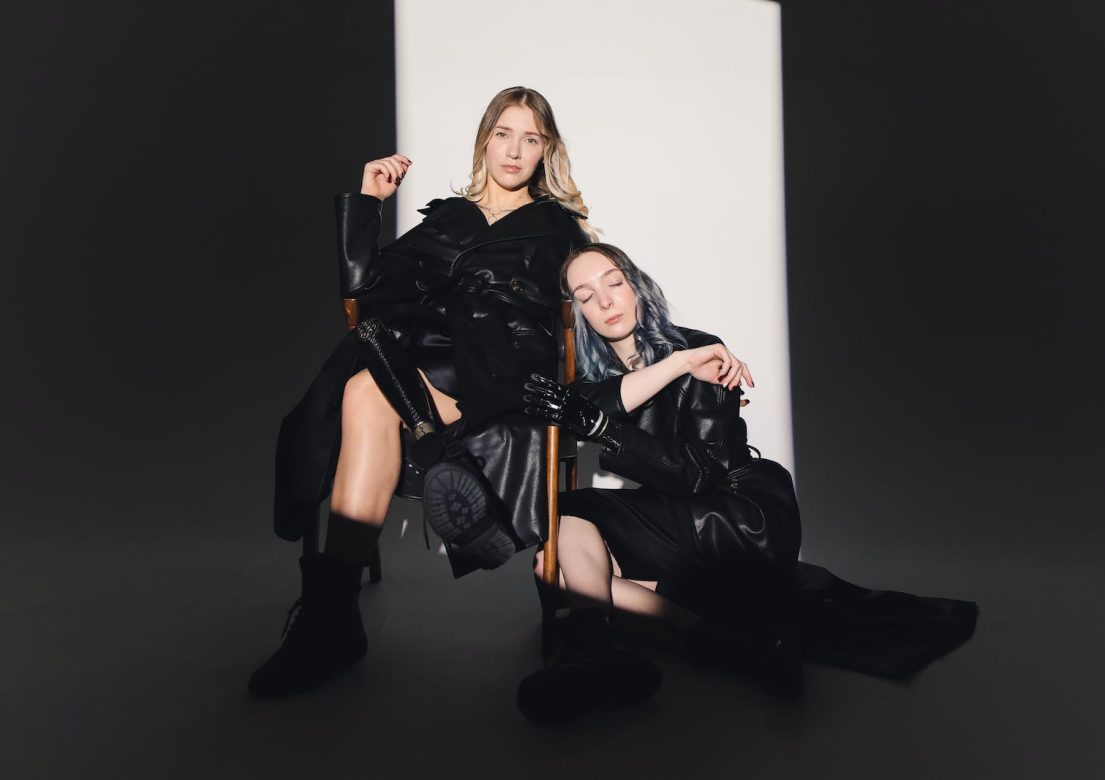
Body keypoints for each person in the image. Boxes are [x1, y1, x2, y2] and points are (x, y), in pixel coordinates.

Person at [518, 243, 976, 724]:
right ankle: (718, 646)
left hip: (737, 512)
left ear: (636, 285)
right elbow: (594, 407)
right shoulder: (596, 378)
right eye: (586, 296)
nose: (605, 302)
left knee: (571, 535)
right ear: (577, 313)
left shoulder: (701, 350)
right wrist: (647, 385)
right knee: (553, 561)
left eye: (613, 283)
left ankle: (594, 648)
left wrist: (666, 374)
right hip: (679, 517)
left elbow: (698, 474)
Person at [252, 86, 594, 699]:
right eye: (503, 134)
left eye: (531, 138)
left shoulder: (558, 229)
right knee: (361, 386)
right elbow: (363, 288)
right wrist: (368, 202)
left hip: (502, 374)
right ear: (485, 140)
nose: (514, 150)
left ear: (546, 151)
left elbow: (602, 306)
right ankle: (334, 616)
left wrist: (687, 352)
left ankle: (329, 618)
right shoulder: (449, 219)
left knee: (364, 383)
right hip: (425, 362)